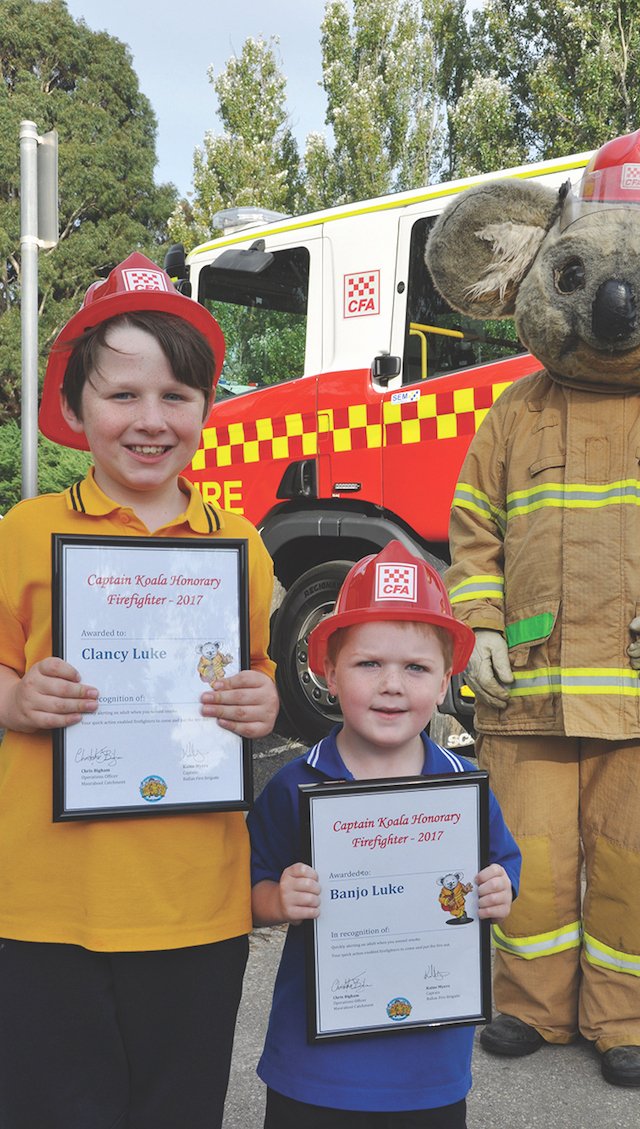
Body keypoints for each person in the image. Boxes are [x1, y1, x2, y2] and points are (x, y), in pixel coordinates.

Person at [424, 128, 640, 1087]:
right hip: (531, 697)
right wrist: (478, 623)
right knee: (527, 858)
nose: (614, 307)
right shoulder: (513, 415)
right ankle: (529, 1004)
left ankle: (632, 1019)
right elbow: (472, 527)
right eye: (580, 274)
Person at [0, 252, 279, 1129]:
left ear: (204, 408)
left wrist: (260, 704)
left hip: (196, 906)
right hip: (45, 906)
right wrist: (14, 700)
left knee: (178, 1110)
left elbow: (260, 676)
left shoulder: (243, 546)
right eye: (122, 396)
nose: (150, 420)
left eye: (175, 397)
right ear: (77, 410)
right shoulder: (26, 531)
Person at [248, 540, 522, 1129]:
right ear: (327, 671)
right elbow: (246, 891)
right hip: (313, 1072)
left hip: (429, 1074)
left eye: (417, 668)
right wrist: (276, 900)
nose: (392, 685)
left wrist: (500, 892)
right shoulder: (294, 786)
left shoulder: (463, 787)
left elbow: (502, 867)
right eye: (368, 664)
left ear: (447, 679)